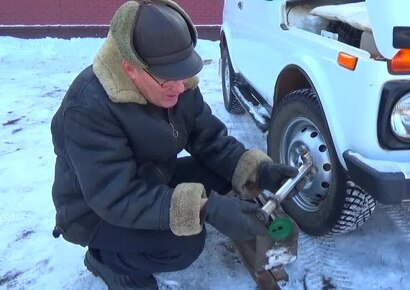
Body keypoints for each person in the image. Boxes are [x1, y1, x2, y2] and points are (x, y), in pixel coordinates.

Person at [50, 1, 298, 289]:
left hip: (152, 179)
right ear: (130, 69)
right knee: (184, 243)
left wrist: (260, 172)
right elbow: (116, 197)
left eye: (183, 73)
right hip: (95, 212)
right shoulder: (87, 108)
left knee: (224, 174)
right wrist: (206, 210)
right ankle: (107, 261)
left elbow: (211, 141)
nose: (180, 88)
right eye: (169, 79)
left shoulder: (176, 83)